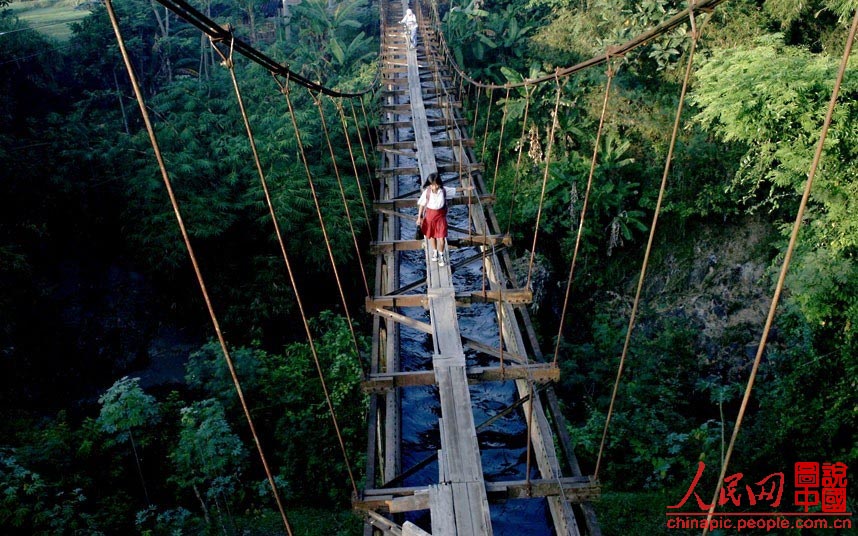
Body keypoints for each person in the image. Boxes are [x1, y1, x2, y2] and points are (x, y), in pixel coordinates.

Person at [416, 172, 456, 267]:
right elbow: (422, 204)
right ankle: (435, 252)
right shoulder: (427, 192)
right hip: (430, 216)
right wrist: (419, 217)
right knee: (431, 236)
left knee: (442, 238)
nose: (435, 186)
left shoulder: (444, 190)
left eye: (436, 184)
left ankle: (441, 255)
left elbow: (456, 189)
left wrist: (467, 189)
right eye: (433, 185)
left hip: (440, 217)